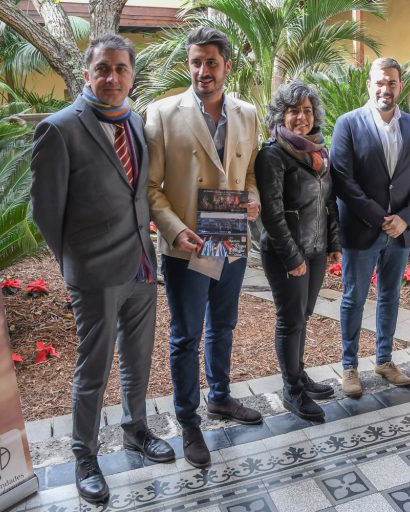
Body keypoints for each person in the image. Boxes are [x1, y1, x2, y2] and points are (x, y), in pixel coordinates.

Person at [30, 34, 174, 503]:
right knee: (93, 370)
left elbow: (140, 194)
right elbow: (46, 213)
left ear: (132, 75)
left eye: (121, 69)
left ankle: (136, 429)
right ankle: (84, 456)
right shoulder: (59, 129)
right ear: (88, 73)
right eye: (103, 69)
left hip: (140, 267)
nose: (112, 78)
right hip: (93, 275)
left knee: (137, 360)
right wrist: (75, 262)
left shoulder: (134, 120)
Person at [146, 27, 262, 469]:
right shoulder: (161, 114)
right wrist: (174, 230)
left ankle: (220, 397)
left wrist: (252, 198)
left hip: (229, 240)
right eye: (196, 62)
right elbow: (151, 189)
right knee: (185, 335)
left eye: (211, 62)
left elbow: (251, 172)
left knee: (224, 325)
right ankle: (188, 419)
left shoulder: (248, 113)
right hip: (187, 245)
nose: (202, 71)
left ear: (227, 66)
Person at [330, 57, 410, 397]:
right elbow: (343, 179)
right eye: (379, 82)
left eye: (391, 82)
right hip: (361, 230)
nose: (384, 88)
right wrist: (379, 217)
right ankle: (349, 366)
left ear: (400, 86)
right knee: (353, 298)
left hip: (399, 233)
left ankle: (384, 360)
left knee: (390, 296)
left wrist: (404, 218)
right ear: (369, 85)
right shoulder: (348, 124)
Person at [256, 80, 341, 421]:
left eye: (307, 111)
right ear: (282, 114)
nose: (301, 117)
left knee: (303, 316)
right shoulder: (272, 154)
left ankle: (299, 375)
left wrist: (333, 244)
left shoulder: (318, 151)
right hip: (285, 253)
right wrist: (292, 258)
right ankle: (292, 390)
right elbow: (272, 214)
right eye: (294, 111)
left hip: (316, 248)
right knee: (290, 320)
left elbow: (327, 201)